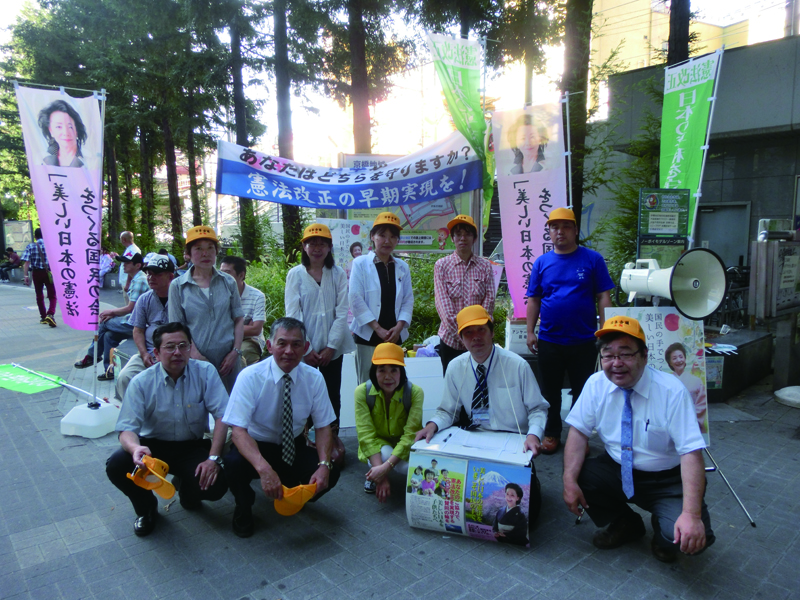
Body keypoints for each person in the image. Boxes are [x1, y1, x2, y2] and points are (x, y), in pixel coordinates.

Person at [562, 316, 715, 563]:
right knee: (578, 475)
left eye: (625, 354)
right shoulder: (595, 384)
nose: (616, 363)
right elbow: (578, 432)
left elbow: (691, 452)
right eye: (608, 355)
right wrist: (568, 481)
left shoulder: (672, 391)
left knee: (690, 539)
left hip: (667, 479)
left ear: (644, 356)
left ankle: (663, 528)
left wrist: (691, 514)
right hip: (617, 469)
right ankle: (627, 523)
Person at [106, 322, 229, 536]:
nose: (177, 352)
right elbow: (126, 428)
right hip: (152, 449)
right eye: (170, 347)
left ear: (190, 348)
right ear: (156, 353)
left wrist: (213, 458)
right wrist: (135, 448)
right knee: (117, 464)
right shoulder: (141, 382)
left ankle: (188, 491)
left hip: (191, 446)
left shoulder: (205, 372)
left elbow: (222, 416)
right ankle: (146, 509)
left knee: (216, 485)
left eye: (183, 346)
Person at [222, 317, 341, 538]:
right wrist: (264, 469)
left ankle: (294, 493)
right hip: (256, 444)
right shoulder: (250, 377)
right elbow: (237, 431)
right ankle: (244, 505)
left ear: (305, 347)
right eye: (282, 343)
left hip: (292, 445)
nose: (289, 351)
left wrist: (324, 464)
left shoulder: (314, 378)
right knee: (233, 464)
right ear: (269, 345)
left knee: (330, 471)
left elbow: (323, 426)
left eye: (296, 344)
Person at [525, 207, 614, 455]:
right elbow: (534, 299)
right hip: (550, 339)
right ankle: (552, 433)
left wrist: (606, 331)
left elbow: (603, 296)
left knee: (583, 391)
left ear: (575, 230)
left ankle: (579, 436)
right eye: (554, 227)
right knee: (549, 391)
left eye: (566, 226)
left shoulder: (592, 259)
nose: (560, 231)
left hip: (584, 339)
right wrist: (531, 331)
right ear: (549, 232)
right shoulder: (542, 263)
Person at [416, 305, 548, 454]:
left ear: (492, 332)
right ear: (461, 339)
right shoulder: (455, 368)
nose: (476, 337)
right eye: (468, 332)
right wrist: (431, 426)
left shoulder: (518, 366)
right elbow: (447, 411)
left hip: (515, 439)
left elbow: (538, 408)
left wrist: (533, 435)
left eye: (481, 330)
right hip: (476, 438)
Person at [285, 223, 355, 426]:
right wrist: (306, 348)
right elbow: (293, 314)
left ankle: (332, 438)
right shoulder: (295, 274)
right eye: (312, 244)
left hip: (333, 349)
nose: (317, 248)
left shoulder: (338, 274)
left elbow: (342, 312)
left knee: (332, 394)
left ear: (329, 247)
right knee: (304, 395)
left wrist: (331, 347)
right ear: (304, 247)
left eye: (322, 244)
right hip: (304, 349)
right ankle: (306, 438)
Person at [168, 225, 244, 392]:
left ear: (216, 251)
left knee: (231, 403)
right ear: (188, 254)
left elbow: (238, 319)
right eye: (198, 249)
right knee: (198, 402)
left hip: (228, 361)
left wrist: (235, 351)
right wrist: (195, 355)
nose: (205, 253)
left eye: (210, 248)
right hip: (194, 361)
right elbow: (177, 327)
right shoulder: (178, 286)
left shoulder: (228, 282)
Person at [349, 212, 414, 384]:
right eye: (382, 235)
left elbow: (408, 300)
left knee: (393, 385)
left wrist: (399, 328)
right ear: (372, 236)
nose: (387, 241)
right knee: (367, 386)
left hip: (394, 337)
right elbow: (355, 299)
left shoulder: (402, 267)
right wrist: (378, 329)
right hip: (368, 337)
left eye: (393, 236)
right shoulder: (360, 263)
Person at [354, 343, 423, 502]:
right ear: (374, 371)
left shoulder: (415, 393)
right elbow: (366, 435)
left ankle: (376, 471)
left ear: (401, 372)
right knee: (384, 453)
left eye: (394, 370)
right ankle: (374, 474)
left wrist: (385, 469)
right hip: (378, 445)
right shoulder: (362, 392)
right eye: (381, 370)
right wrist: (382, 477)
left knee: (409, 467)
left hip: (405, 445)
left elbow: (410, 435)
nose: (388, 376)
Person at [434, 214, 495, 374]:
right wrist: (465, 336)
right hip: (451, 341)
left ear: (474, 238)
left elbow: (489, 303)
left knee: (479, 383)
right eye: (458, 234)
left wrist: (476, 334)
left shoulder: (485, 266)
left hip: (479, 342)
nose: (463, 238)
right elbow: (443, 305)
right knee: (453, 383)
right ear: (452, 238)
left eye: (467, 234)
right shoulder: (442, 266)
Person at [74, 252, 147, 380]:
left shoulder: (140, 281)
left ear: (138, 265)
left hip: (140, 323)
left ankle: (92, 356)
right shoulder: (136, 277)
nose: (123, 265)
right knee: (109, 336)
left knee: (105, 322)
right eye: (123, 262)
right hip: (134, 319)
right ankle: (110, 369)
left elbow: (131, 308)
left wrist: (111, 312)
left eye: (127, 263)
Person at [114, 255, 174, 401]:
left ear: (170, 276)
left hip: (175, 355)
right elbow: (138, 330)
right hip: (149, 354)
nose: (151, 278)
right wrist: (144, 354)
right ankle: (132, 412)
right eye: (149, 273)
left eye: (157, 274)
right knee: (125, 377)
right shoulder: (144, 299)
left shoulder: (181, 298)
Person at [220, 255, 266, 366]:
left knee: (242, 356)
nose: (222, 276)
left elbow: (256, 330)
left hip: (249, 341)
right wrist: (243, 326)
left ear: (241, 275)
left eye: (227, 272)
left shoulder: (257, 296)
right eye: (220, 272)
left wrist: (226, 327)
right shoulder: (218, 295)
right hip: (224, 340)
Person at [665, 343, 708, 434]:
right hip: (672, 425)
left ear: (685, 359)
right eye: (674, 358)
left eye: (681, 357)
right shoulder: (666, 382)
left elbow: (701, 405)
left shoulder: (697, 381)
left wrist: (689, 420)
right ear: (670, 362)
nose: (679, 360)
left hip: (693, 426)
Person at [21, 228, 57, 327]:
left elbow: (26, 262)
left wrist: (25, 275)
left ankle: (43, 317)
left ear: (35, 236)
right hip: (48, 273)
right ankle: (50, 314)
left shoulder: (31, 246)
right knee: (52, 295)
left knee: (39, 295)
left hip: (36, 273)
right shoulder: (51, 246)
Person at [37, 99, 88, 168]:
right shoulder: (42, 160)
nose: (65, 133)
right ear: (51, 131)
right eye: (59, 127)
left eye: (70, 127)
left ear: (77, 130)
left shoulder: (90, 160)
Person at [118, 231, 141, 299]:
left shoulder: (133, 250)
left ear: (124, 239)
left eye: (120, 239)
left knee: (129, 301)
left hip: (128, 281)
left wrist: (128, 283)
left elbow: (131, 267)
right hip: (125, 281)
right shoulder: (129, 249)